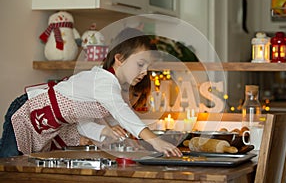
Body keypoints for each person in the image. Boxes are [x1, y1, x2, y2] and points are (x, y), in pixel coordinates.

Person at [0, 28, 182, 158]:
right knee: (7, 165)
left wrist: (109, 132)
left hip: (44, 126)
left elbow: (85, 122)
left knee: (17, 165)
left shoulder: (110, 89)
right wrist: (154, 140)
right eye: (140, 64)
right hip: (25, 111)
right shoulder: (103, 82)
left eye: (148, 67)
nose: (144, 72)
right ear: (119, 59)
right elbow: (122, 112)